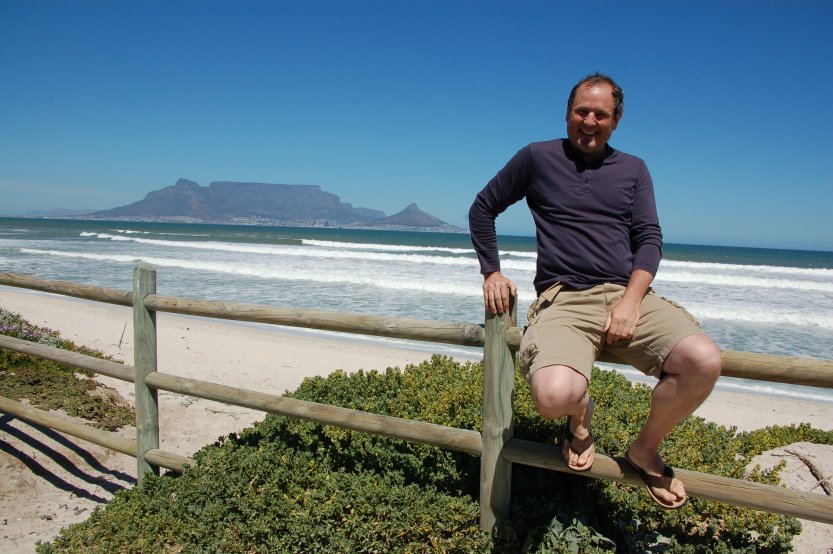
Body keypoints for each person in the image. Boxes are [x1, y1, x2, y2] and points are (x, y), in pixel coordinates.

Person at [468, 73, 721, 509]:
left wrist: (630, 301)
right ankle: (580, 419)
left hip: (628, 294)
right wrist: (491, 272)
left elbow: (649, 239)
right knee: (551, 398)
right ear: (567, 112)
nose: (589, 121)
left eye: (600, 114)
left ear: (616, 120)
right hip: (563, 298)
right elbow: (482, 209)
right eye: (581, 111)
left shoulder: (634, 169)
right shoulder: (536, 157)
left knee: (703, 361)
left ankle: (645, 449)